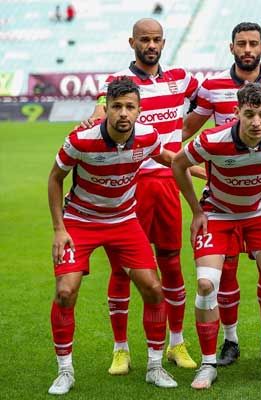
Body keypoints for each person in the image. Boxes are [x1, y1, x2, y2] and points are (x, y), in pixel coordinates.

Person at [182, 21, 261, 366]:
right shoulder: (212, 87)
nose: (248, 49)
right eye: (242, 43)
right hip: (223, 192)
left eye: (254, 43)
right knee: (225, 271)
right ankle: (231, 339)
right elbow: (185, 133)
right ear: (232, 47)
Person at [47, 77, 178, 395]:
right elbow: (55, 178)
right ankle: (65, 372)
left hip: (124, 220)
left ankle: (155, 367)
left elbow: (167, 158)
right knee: (65, 292)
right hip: (80, 221)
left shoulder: (148, 136)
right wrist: (59, 229)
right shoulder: (81, 139)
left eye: (130, 107)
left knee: (154, 288)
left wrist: (206, 167)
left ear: (139, 110)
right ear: (106, 109)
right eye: (117, 106)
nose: (123, 113)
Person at [82, 18, 200, 374]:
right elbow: (102, 107)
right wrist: (95, 115)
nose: (151, 45)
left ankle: (176, 343)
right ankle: (120, 349)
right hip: (130, 185)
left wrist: (182, 136)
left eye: (156, 39)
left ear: (164, 43)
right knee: (123, 269)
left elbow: (211, 101)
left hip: (168, 183)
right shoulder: (119, 80)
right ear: (132, 42)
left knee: (171, 263)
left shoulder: (181, 78)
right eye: (144, 39)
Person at [172, 83, 261, 389]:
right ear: (236, 113)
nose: (257, 122)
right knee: (207, 284)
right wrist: (196, 210)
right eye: (249, 114)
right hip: (218, 213)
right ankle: (208, 364)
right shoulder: (212, 140)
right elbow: (178, 163)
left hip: (260, 212)